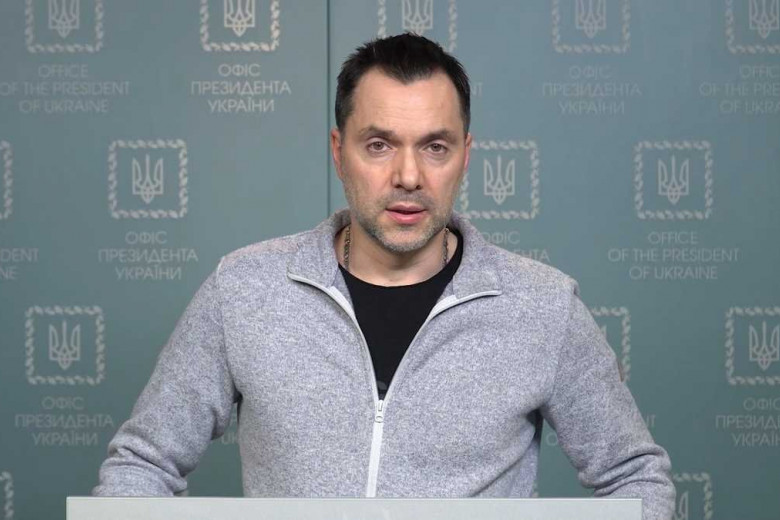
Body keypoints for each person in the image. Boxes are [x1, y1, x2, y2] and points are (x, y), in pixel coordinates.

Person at [93, 33, 675, 520]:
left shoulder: (543, 306)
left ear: (466, 156)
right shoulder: (244, 289)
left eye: (435, 147)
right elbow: (142, 466)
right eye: (379, 145)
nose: (408, 175)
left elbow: (636, 479)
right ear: (338, 151)